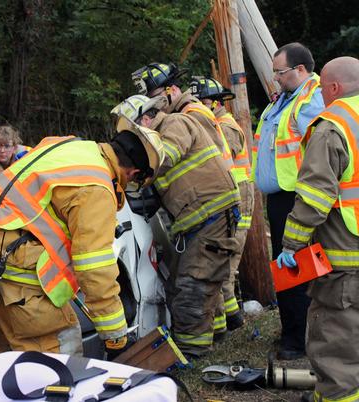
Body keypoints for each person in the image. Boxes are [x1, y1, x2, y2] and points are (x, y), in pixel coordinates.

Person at [0, 108, 165, 366]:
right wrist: (115, 336)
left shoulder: (65, 145)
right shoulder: (98, 186)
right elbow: (95, 268)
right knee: (57, 351)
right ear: (134, 173)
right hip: (6, 257)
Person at [113, 95, 240, 358]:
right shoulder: (163, 131)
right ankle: (213, 335)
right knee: (192, 283)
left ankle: (191, 353)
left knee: (193, 285)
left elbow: (164, 156)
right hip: (198, 217)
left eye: (136, 133)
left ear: (146, 119)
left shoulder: (175, 123)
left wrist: (132, 166)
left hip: (211, 214)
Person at [277, 56, 359, 402]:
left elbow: (313, 199)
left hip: (346, 264)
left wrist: (290, 245)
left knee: (338, 352)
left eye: (322, 87)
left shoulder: (333, 125)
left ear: (334, 88)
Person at [253, 42, 325, 360]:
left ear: (300, 70)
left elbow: (321, 152)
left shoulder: (313, 99)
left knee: (297, 267)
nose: (275, 79)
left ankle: (298, 341)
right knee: (286, 268)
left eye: (279, 72)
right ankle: (292, 332)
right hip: (280, 197)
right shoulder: (283, 99)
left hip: (298, 196)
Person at [190, 77, 254, 335]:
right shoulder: (215, 124)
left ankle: (227, 323)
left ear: (215, 103)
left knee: (226, 264)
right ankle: (229, 321)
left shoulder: (225, 127)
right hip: (229, 200)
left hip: (237, 201)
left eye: (202, 102)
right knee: (221, 265)